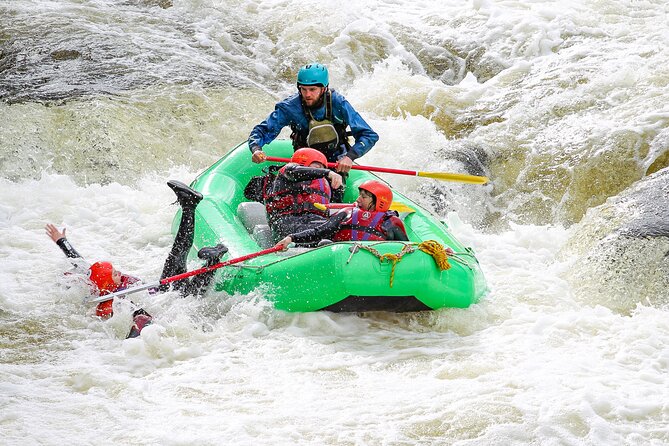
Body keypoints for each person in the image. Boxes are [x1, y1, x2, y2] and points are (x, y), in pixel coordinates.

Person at [46, 180, 228, 339]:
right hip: (171, 304)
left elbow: (80, 263)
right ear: (108, 283)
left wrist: (62, 242)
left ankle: (191, 211)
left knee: (177, 258)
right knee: (188, 290)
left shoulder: (101, 285)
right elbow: (141, 317)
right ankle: (211, 258)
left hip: (165, 292)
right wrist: (133, 338)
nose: (119, 273)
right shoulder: (115, 302)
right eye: (114, 274)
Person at [248, 62, 378, 201]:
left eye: (312, 89)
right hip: (304, 163)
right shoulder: (290, 107)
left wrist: (350, 157)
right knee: (299, 197)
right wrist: (256, 149)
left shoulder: (338, 103)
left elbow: (369, 135)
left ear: (323, 88)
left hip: (335, 161)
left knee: (330, 195)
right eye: (303, 89)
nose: (307, 94)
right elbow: (261, 131)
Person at [244, 147, 343, 243]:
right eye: (316, 167)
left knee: (340, 227)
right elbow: (296, 172)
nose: (319, 172)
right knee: (320, 231)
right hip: (287, 222)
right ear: (302, 163)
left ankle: (329, 246)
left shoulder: (323, 184)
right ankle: (320, 245)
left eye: (321, 168)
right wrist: (329, 172)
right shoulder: (288, 172)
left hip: (314, 221)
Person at [275, 180, 409, 249]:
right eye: (359, 196)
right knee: (324, 243)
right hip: (342, 256)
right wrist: (292, 238)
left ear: (378, 201)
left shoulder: (391, 222)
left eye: (364, 197)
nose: (358, 200)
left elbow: (408, 249)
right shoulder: (347, 213)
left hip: (373, 262)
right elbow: (320, 231)